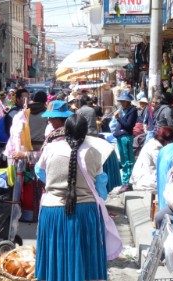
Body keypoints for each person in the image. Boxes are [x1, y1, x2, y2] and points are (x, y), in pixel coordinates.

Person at [34, 114, 108, 281]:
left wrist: (54, 185)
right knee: (83, 263)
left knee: (55, 262)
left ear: (65, 131)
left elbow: (39, 172)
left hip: (52, 212)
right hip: (85, 213)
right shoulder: (94, 152)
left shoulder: (50, 149)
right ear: (85, 132)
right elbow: (101, 189)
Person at [129, 126, 173, 191]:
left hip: (142, 176)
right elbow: (163, 167)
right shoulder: (155, 148)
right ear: (167, 141)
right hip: (143, 179)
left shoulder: (152, 142)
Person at [113, 91, 138, 187]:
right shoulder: (124, 110)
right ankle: (126, 180)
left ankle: (127, 181)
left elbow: (128, 125)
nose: (122, 103)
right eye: (121, 101)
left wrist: (118, 118)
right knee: (123, 159)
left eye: (123, 101)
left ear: (128, 102)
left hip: (125, 137)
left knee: (127, 160)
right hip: (120, 137)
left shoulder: (132, 111)